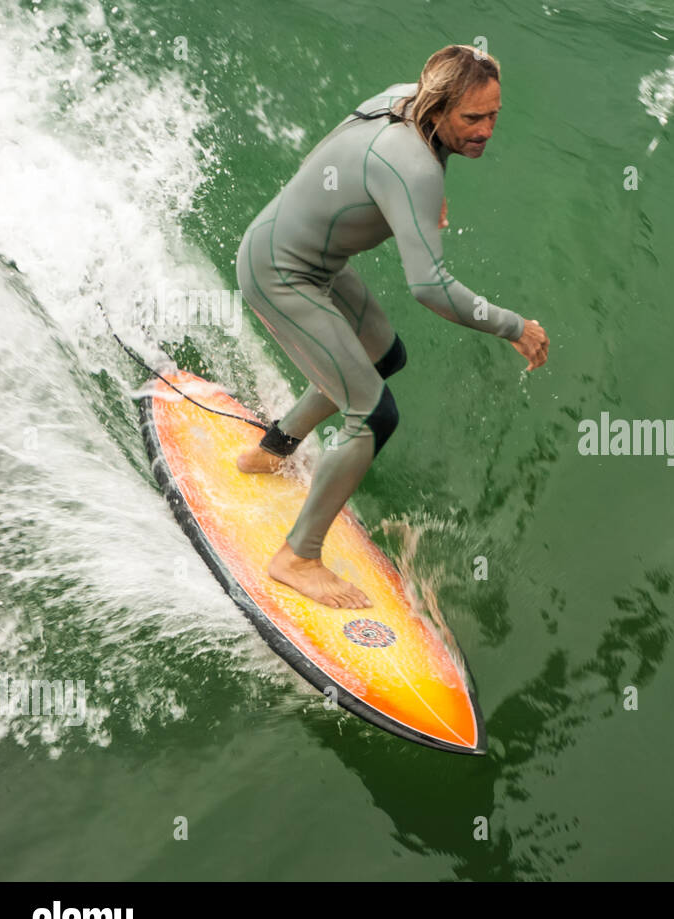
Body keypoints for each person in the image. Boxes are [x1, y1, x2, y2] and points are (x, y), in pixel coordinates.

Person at [234, 44, 547, 609]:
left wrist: (408, 200)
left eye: (494, 115)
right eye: (472, 119)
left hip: (304, 255)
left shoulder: (402, 102)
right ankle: (298, 557)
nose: (486, 130)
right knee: (374, 413)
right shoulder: (414, 168)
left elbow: (337, 159)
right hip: (280, 274)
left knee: (383, 354)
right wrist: (513, 327)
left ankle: (271, 450)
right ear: (440, 106)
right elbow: (430, 288)